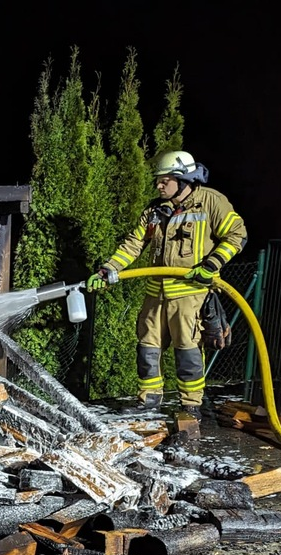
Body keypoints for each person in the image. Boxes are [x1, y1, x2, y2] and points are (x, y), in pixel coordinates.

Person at [86, 150, 247, 418]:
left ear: (184, 180)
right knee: (147, 349)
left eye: (165, 180)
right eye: (158, 181)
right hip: (155, 294)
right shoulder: (155, 210)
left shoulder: (210, 202)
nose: (159, 185)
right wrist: (108, 269)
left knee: (188, 352)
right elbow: (134, 243)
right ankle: (148, 401)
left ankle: (191, 406)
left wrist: (211, 265)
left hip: (190, 294)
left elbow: (237, 236)